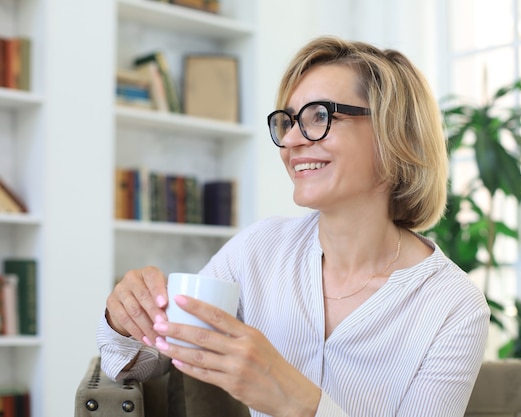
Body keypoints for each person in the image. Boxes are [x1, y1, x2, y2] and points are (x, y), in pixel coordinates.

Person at [98, 36, 490, 417]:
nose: (289, 140)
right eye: (287, 122)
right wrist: (127, 317)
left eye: (319, 116)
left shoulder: (454, 307)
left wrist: (298, 403)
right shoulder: (258, 250)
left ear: (393, 135)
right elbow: (140, 363)